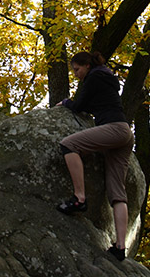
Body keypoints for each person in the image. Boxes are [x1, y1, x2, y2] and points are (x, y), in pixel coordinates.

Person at [56, 51, 134, 261]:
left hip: (113, 129)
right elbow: (91, 106)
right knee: (117, 192)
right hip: (125, 132)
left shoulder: (93, 77)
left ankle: (79, 198)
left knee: (68, 144)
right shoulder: (106, 77)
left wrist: (65, 103)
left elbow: (80, 105)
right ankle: (120, 247)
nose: (76, 74)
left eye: (77, 69)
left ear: (86, 65)